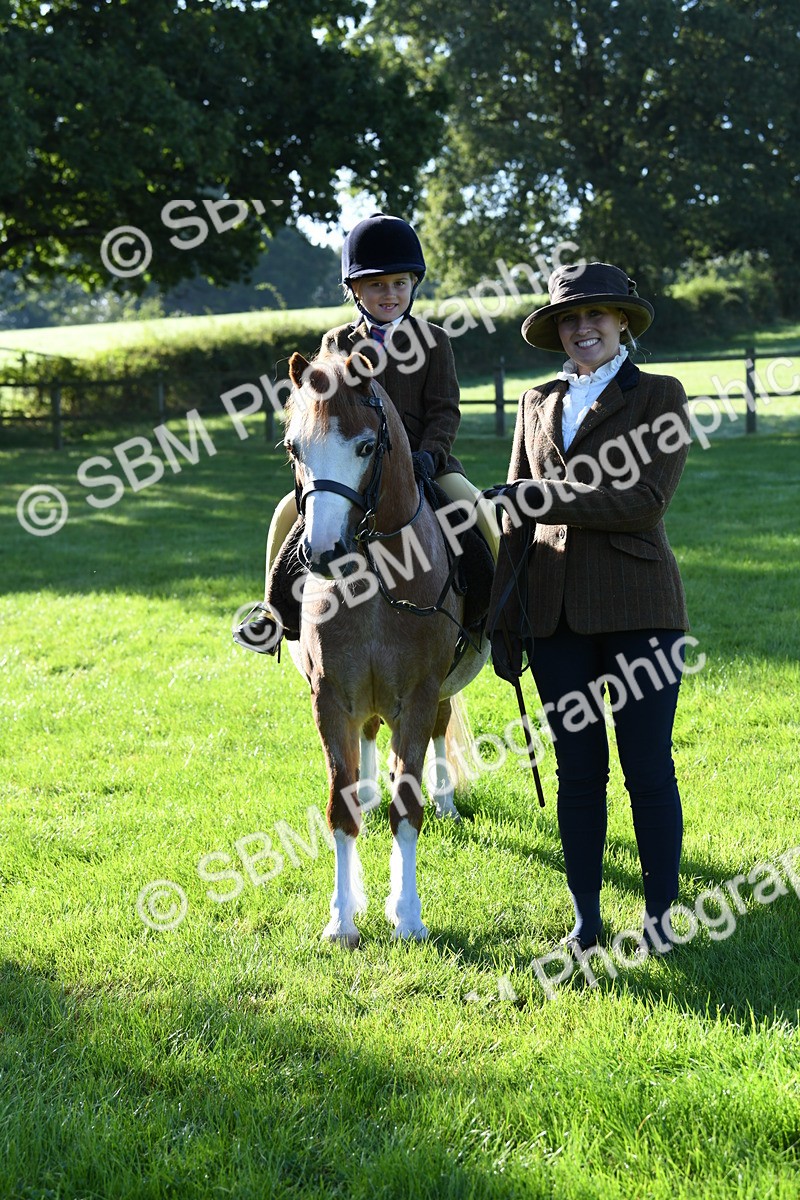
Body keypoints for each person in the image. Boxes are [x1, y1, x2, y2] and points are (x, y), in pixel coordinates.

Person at [485, 261, 691, 956]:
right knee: (579, 772)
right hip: (553, 617)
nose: (582, 329)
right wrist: (502, 619)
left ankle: (661, 918)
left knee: (646, 768)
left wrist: (540, 499)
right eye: (569, 320)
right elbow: (514, 517)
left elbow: (644, 503)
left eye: (595, 316)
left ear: (623, 323)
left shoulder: (662, 395)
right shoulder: (536, 401)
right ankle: (587, 920)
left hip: (641, 611)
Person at [234, 213, 499, 653]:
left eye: (399, 283)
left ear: (414, 285)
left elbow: (445, 411)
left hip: (425, 467)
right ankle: (273, 615)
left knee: (479, 513)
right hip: (352, 469)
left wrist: (430, 456)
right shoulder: (336, 342)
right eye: (377, 285)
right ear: (355, 290)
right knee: (285, 513)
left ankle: (500, 620)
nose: (390, 294)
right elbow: (321, 409)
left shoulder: (433, 340)